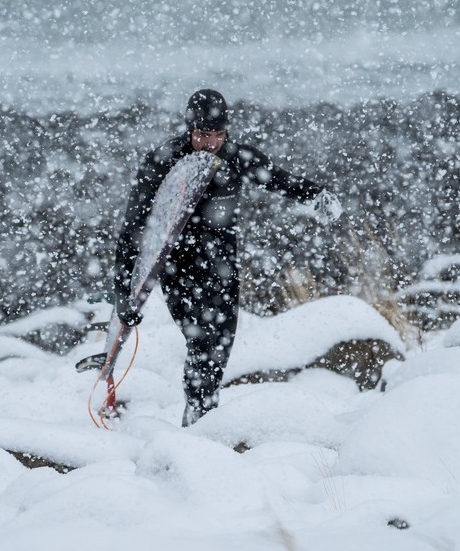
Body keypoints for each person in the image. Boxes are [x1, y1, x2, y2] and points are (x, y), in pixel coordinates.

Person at [113, 89, 342, 426]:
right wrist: (124, 294)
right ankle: (199, 414)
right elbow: (134, 228)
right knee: (200, 341)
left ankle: (203, 412)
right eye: (204, 135)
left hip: (222, 265)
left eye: (218, 135)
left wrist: (315, 195)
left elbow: (277, 178)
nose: (211, 143)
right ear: (190, 129)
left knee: (220, 344)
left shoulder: (234, 156)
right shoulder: (162, 161)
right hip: (178, 267)